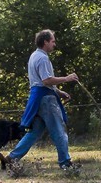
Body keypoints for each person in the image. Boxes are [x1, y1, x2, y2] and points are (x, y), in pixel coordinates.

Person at [7, 29, 80, 173]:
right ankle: (65, 163)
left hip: (38, 98)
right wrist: (67, 78)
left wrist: (59, 92)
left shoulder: (34, 56)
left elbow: (39, 82)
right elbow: (46, 80)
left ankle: (13, 157)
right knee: (59, 130)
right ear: (45, 42)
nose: (54, 44)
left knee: (35, 132)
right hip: (46, 100)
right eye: (52, 41)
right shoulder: (42, 58)